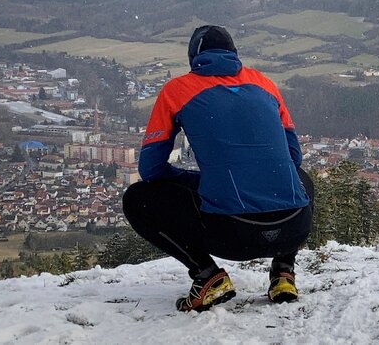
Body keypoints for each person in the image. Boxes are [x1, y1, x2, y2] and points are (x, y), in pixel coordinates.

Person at [122, 25, 313, 312]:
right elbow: (294, 157)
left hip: (232, 236)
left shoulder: (177, 90)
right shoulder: (265, 84)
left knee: (136, 199)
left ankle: (206, 275)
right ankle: (284, 271)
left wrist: (197, 180)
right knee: (301, 178)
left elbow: (151, 170)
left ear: (194, 57)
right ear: (234, 53)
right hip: (294, 227)